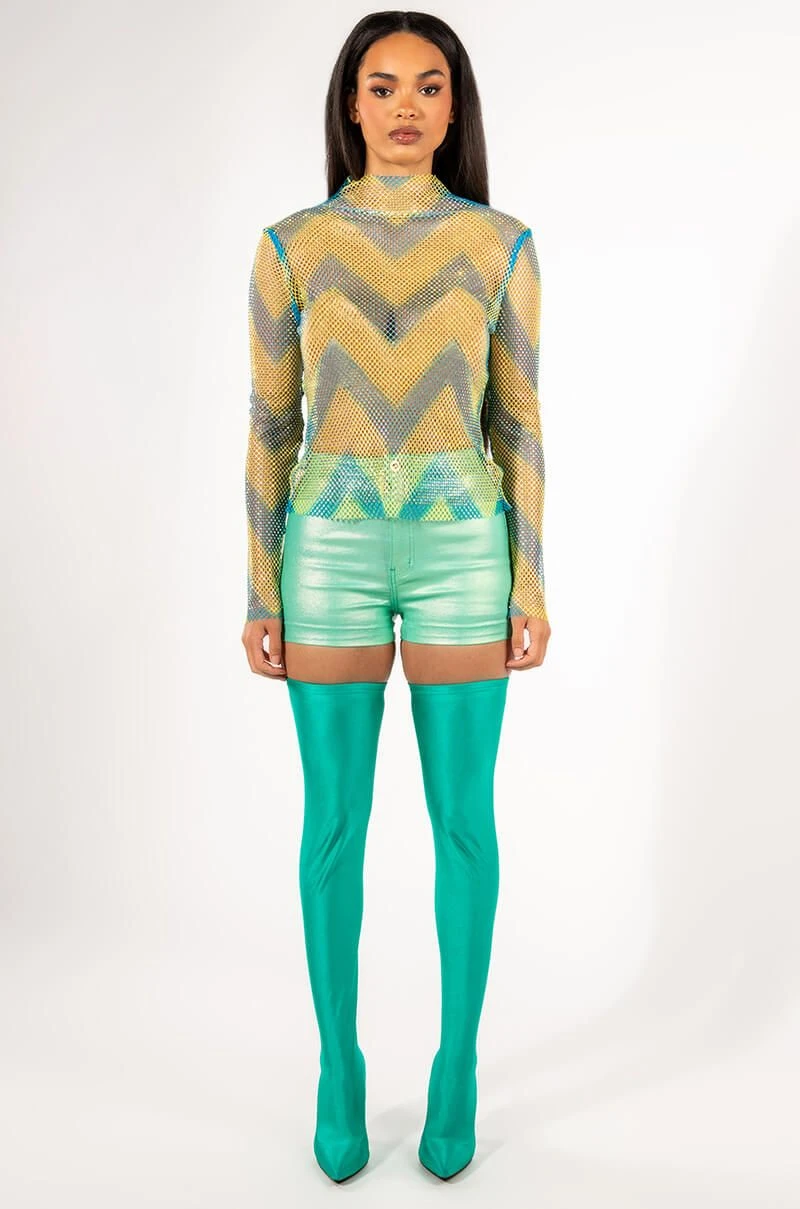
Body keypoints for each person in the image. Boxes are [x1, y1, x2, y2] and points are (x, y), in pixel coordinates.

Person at [241, 10, 551, 1185]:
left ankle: (455, 1063)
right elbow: (269, 424)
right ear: (350, 105)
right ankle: (337, 1065)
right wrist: (258, 586)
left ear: (454, 107)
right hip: (326, 546)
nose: (406, 106)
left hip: (461, 545)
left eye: (428, 85)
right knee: (333, 823)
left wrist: (530, 576)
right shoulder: (290, 248)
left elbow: (517, 422)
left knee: (462, 819)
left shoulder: (499, 245)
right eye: (382, 86)